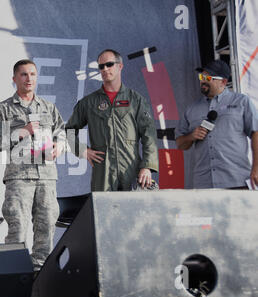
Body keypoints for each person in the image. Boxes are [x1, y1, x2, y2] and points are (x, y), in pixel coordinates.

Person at [0, 59, 66, 271]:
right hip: (19, 177)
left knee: (47, 227)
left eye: (32, 74)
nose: (29, 78)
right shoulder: (3, 108)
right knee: (18, 227)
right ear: (14, 79)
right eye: (23, 74)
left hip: (46, 177)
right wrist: (23, 131)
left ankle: (41, 277)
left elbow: (61, 132)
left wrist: (59, 146)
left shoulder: (48, 107)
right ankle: (15, 275)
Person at [65, 49, 159, 191]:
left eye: (109, 64)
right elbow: (68, 132)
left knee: (134, 210)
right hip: (103, 172)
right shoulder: (89, 102)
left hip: (131, 168)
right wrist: (82, 150)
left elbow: (149, 135)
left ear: (120, 66)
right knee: (104, 210)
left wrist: (147, 166)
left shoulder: (136, 100)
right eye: (101, 66)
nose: (105, 69)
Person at [176, 60, 258, 189]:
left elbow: (256, 133)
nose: (202, 81)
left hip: (236, 180)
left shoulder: (241, 102)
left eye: (207, 77)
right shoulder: (192, 109)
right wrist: (191, 136)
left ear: (223, 82)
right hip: (204, 184)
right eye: (201, 77)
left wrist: (256, 168)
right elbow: (180, 144)